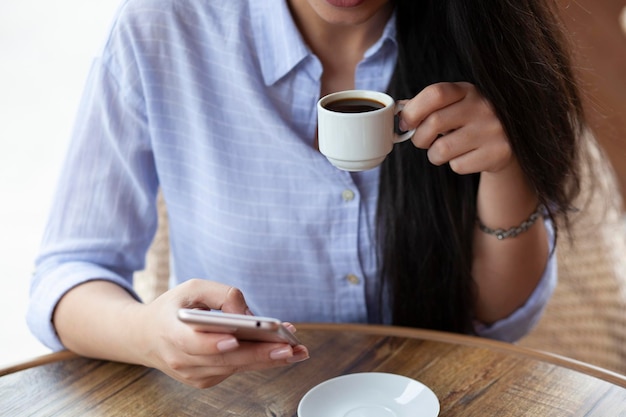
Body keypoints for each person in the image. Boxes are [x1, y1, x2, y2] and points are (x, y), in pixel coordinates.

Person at [27, 0, 586, 389]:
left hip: (430, 397)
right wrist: (149, 335)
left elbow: (498, 318)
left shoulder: (481, 32)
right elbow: (68, 272)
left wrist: (508, 167)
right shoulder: (164, 29)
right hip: (242, 402)